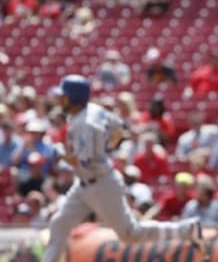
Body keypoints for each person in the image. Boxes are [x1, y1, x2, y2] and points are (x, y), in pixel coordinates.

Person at [42, 75, 207, 262]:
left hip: (101, 185)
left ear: (74, 98)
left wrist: (60, 152)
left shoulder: (85, 125)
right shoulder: (93, 110)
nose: (60, 99)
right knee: (59, 224)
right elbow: (120, 128)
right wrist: (108, 146)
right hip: (85, 184)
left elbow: (83, 162)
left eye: (63, 96)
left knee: (130, 234)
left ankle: (187, 230)